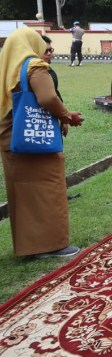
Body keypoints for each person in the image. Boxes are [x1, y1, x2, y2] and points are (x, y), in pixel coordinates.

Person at [0, 28, 84, 257]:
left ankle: (32, 247)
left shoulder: (7, 69)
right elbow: (48, 97)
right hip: (36, 138)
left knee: (24, 194)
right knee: (49, 188)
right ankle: (53, 245)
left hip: (12, 137)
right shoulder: (34, 66)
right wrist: (67, 115)